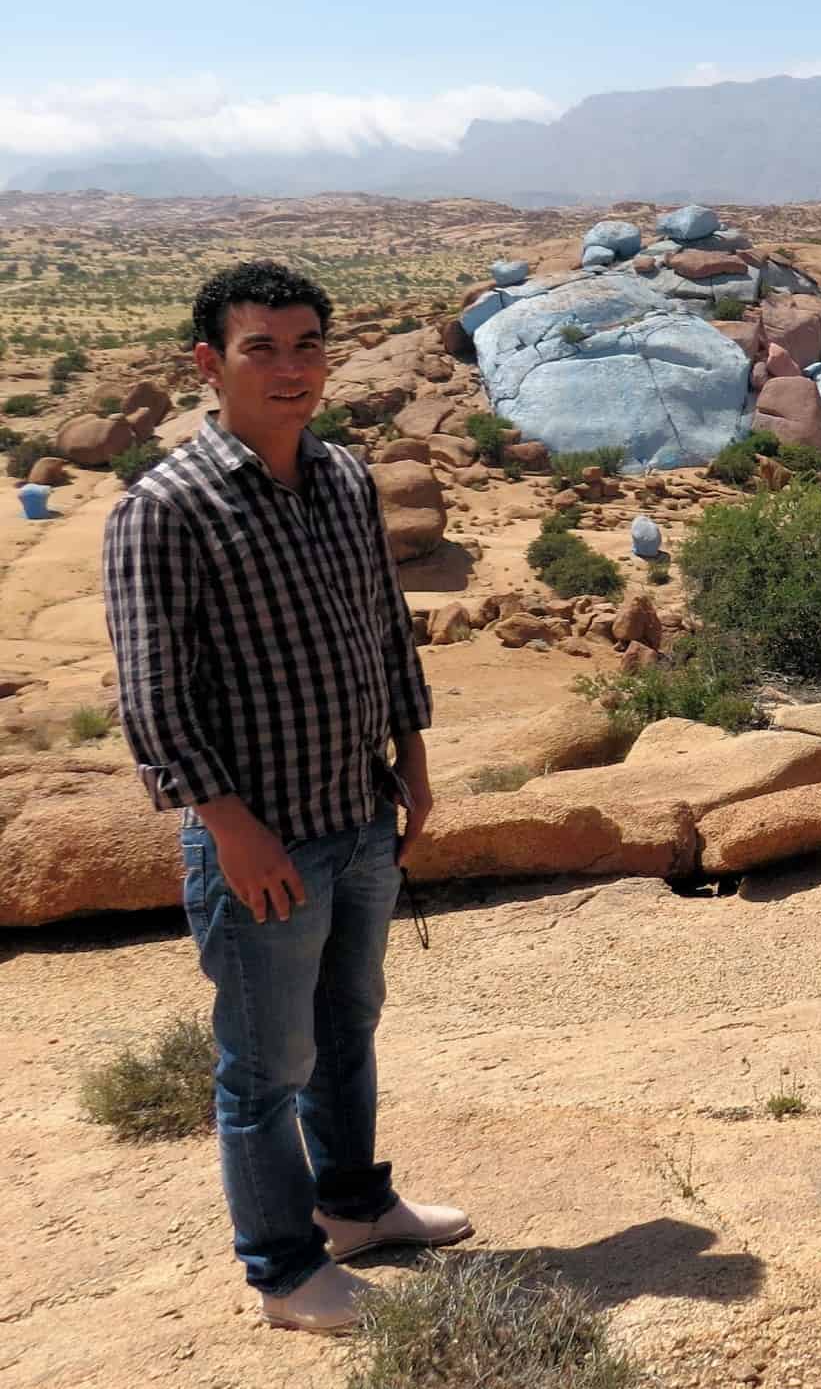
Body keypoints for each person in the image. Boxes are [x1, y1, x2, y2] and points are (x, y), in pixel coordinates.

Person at [102, 260, 469, 1333]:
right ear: (209, 363)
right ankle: (283, 1269)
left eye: (307, 343)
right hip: (259, 835)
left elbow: (382, 631)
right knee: (263, 1068)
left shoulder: (347, 478)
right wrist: (229, 827)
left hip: (357, 810)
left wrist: (413, 757)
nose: (291, 367)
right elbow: (154, 696)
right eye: (261, 347)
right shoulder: (162, 507)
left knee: (348, 1025)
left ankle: (353, 1205)